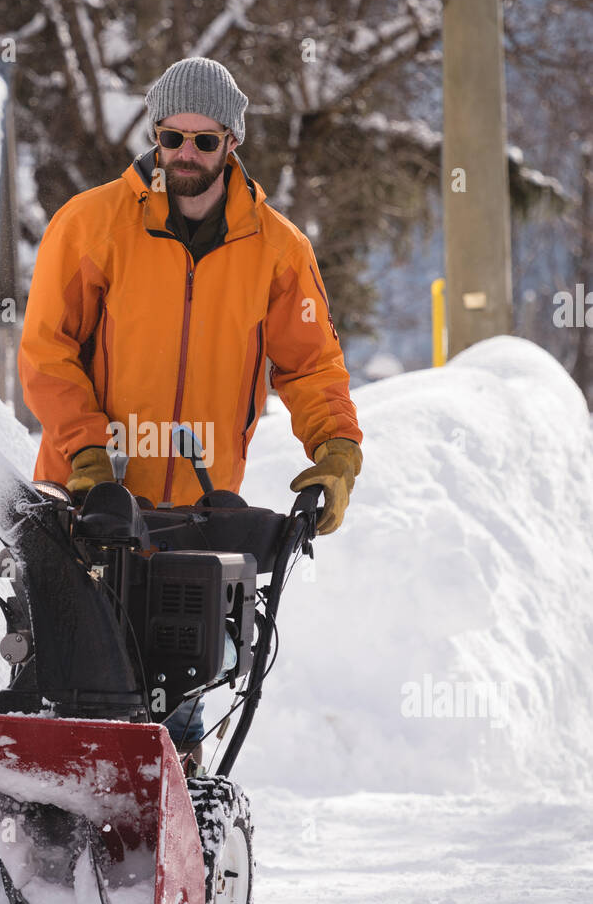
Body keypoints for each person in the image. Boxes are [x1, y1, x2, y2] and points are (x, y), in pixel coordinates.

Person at [18, 56, 363, 762]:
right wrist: (87, 454)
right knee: (64, 698)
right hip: (87, 506)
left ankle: (180, 855)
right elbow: (47, 351)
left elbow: (311, 364)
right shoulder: (90, 225)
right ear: (154, 136)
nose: (184, 155)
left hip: (195, 518)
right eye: (170, 137)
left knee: (174, 718)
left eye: (203, 141)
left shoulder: (277, 250)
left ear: (231, 144)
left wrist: (334, 453)